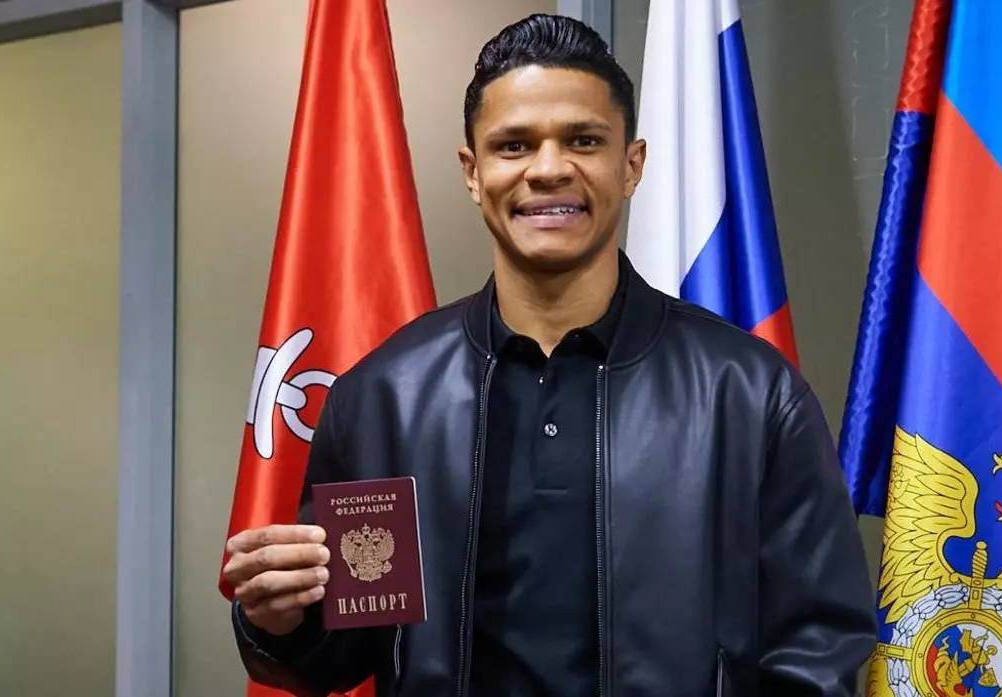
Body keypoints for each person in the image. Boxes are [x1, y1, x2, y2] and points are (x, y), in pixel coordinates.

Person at [222, 13, 877, 697]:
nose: (548, 169)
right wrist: (280, 621)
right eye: (514, 145)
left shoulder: (749, 391)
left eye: (583, 140)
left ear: (631, 165)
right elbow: (342, 647)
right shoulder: (385, 397)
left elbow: (819, 648)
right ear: (473, 172)